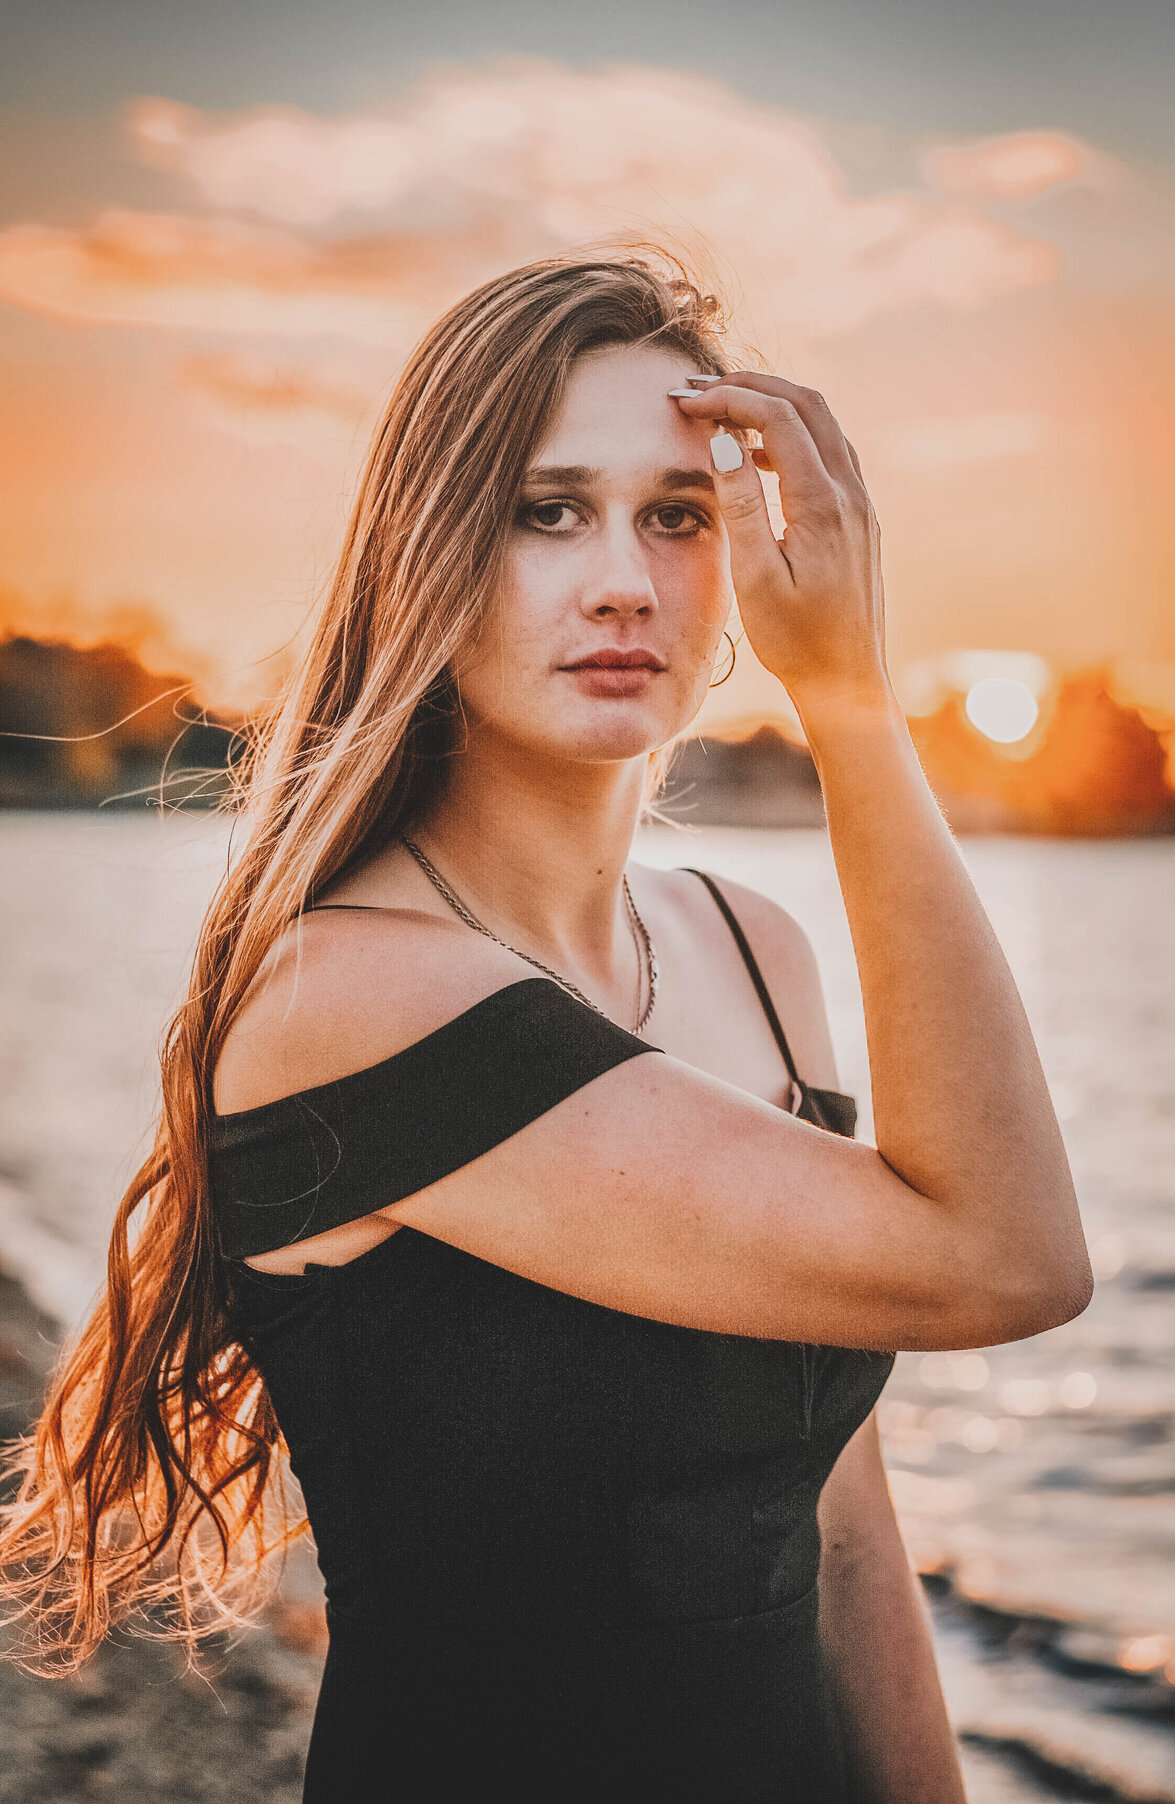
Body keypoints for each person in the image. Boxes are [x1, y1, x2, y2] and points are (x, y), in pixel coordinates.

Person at [0, 255, 1092, 1802]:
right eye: (545, 510)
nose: (624, 582)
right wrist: (852, 707)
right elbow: (1010, 1256)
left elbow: (845, 1526)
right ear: (426, 552)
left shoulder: (755, 953)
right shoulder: (343, 997)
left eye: (679, 513)